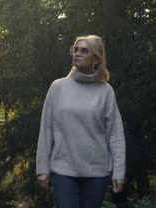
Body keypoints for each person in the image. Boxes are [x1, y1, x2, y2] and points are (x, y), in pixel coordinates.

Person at [36, 35, 126, 208]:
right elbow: (46, 130)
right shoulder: (58, 87)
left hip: (96, 172)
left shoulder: (105, 91)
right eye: (75, 49)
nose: (77, 54)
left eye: (84, 50)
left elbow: (115, 135)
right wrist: (42, 169)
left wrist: (119, 173)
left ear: (96, 58)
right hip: (63, 170)